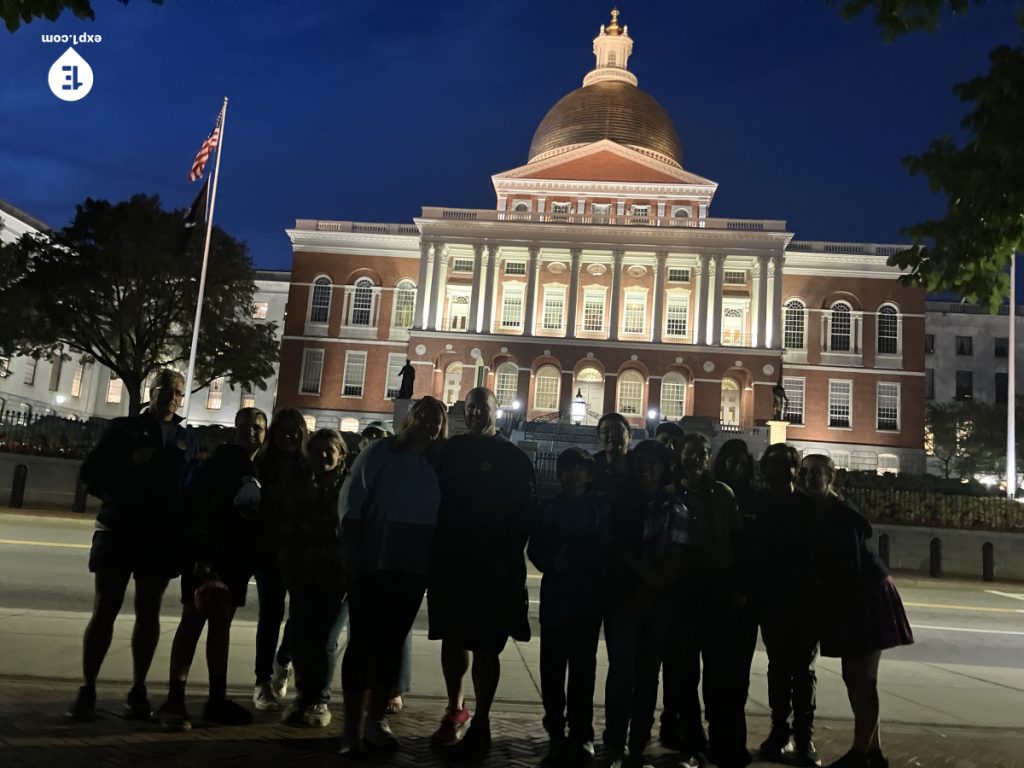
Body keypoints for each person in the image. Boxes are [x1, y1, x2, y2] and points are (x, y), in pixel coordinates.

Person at [69, 369, 198, 721]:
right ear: (151, 392)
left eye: (178, 392)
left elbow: (191, 489)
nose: (172, 397)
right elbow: (91, 473)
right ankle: (88, 687)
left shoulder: (188, 440)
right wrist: (127, 470)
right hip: (120, 531)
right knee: (105, 609)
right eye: (166, 390)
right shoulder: (123, 430)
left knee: (149, 611)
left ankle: (139, 687)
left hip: (159, 537)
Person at [428, 387, 536, 760]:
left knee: (487, 647)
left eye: (482, 408)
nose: (475, 414)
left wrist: (504, 558)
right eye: (470, 408)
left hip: (493, 568)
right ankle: (454, 708)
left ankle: (483, 718)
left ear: (496, 412)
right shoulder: (451, 451)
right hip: (453, 564)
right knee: (452, 639)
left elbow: (523, 516)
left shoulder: (513, 458)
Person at [338, 396, 447, 754]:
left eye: (437, 420)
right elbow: (352, 498)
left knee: (391, 644)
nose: (431, 424)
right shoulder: (383, 452)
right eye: (425, 417)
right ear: (411, 419)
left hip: (413, 566)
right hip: (373, 560)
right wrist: (351, 547)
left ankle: (376, 721)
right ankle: (351, 727)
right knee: (363, 643)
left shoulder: (437, 463)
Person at [157, 407, 268, 731]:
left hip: (234, 562)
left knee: (220, 628)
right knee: (192, 622)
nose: (252, 431)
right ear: (234, 430)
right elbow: (196, 509)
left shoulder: (253, 467)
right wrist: (202, 558)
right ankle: (176, 698)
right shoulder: (221, 464)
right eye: (245, 425)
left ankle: (215, 698)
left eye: (258, 427)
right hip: (208, 560)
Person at [800, 455, 913, 768]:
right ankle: (873, 750)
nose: (808, 478)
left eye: (816, 473)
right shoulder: (824, 510)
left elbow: (847, 571)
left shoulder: (840, 516)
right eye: (804, 472)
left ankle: (860, 752)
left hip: (864, 600)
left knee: (860, 679)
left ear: (831, 475)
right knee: (861, 680)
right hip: (858, 598)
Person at [661, 434, 746, 768]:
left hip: (716, 586)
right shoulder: (670, 493)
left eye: (702, 454)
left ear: (710, 458)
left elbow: (737, 542)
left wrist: (738, 586)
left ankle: (724, 742)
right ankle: (692, 740)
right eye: (690, 453)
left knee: (719, 672)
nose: (696, 459)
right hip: (682, 587)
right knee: (683, 672)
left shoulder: (723, 494)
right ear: (681, 456)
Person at [603, 440, 689, 768]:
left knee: (648, 672)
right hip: (625, 596)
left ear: (664, 467)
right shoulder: (622, 501)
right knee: (621, 672)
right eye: (641, 462)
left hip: (658, 599)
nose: (646, 468)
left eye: (653, 463)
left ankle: (637, 741)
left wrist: (652, 584)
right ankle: (615, 741)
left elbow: (678, 554)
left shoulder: (675, 506)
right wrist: (641, 579)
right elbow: (616, 546)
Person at [528, 447, 610, 767]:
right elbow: (536, 548)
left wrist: (570, 559)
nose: (573, 474)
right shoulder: (549, 509)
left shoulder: (600, 509)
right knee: (551, 669)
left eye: (579, 469)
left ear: (589, 475)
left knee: (582, 671)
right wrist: (552, 562)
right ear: (560, 474)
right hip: (556, 597)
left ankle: (582, 733)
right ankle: (556, 733)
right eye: (568, 469)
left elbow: (604, 548)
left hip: (586, 599)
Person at [755, 443, 821, 767]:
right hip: (771, 601)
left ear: (796, 471)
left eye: (786, 465)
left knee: (802, 671)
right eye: (773, 465)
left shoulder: (809, 508)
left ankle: (804, 737)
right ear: (764, 469)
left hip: (805, 602)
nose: (779, 471)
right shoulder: (757, 504)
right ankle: (779, 731)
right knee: (778, 669)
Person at [279, 428, 349, 728]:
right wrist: (288, 570)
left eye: (329, 450)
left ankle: (320, 698)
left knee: (326, 640)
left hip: (338, 577)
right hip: (305, 573)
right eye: (317, 449)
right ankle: (303, 696)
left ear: (341, 454)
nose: (323, 455)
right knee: (302, 638)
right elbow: (288, 534)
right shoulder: (301, 488)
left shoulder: (349, 490)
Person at [252, 408, 310, 711]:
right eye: (282, 430)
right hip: (270, 550)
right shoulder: (262, 465)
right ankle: (262, 681)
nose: (288, 435)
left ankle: (283, 659)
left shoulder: (309, 465)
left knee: (300, 615)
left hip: (301, 551)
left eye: (294, 429)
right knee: (271, 615)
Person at [711, 438, 759, 766]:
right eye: (731, 462)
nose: (737, 468)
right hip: (714, 595)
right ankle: (717, 739)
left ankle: (735, 742)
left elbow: (757, 554)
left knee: (738, 674)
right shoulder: (710, 495)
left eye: (742, 463)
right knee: (715, 673)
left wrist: (744, 589)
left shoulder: (756, 499)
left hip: (743, 600)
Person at [592, 412, 633, 501]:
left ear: (630, 436)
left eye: (618, 429)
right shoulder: (590, 468)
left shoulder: (642, 467)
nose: (612, 434)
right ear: (599, 438)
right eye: (605, 431)